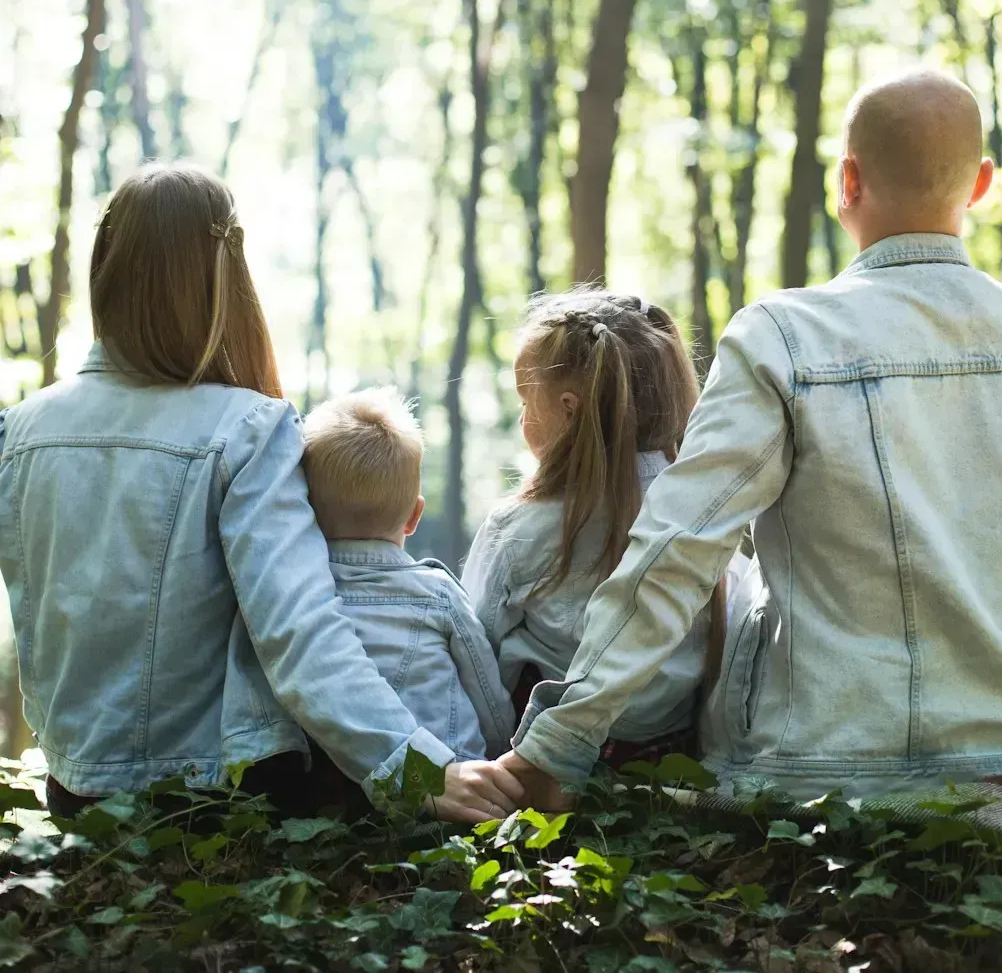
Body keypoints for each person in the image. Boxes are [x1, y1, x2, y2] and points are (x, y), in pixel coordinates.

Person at [500, 69, 1002, 805]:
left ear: (847, 180)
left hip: (816, 775)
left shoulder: (784, 337)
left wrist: (559, 743)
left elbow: (677, 549)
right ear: (982, 185)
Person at [0, 163, 522, 821]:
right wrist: (420, 771)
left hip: (75, 794)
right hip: (212, 803)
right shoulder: (247, 429)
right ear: (224, 279)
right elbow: (301, 633)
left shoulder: (18, 430)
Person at [463, 290, 750, 768]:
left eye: (525, 401)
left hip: (541, 765)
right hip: (671, 760)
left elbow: (476, 652)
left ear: (570, 409)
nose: (522, 419)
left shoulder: (518, 527)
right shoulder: (706, 519)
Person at [301, 386, 514, 761]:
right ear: (415, 516)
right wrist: (500, 753)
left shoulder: (295, 596)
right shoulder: (438, 595)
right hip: (449, 777)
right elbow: (487, 696)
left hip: (337, 785)